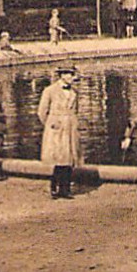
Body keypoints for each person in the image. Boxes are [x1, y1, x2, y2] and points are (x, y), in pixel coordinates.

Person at [37, 66, 82, 199]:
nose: (70, 77)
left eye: (72, 74)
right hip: (56, 129)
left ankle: (65, 189)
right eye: (68, 74)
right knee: (58, 158)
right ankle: (54, 185)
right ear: (61, 75)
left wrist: (74, 123)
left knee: (69, 158)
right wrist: (51, 125)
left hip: (70, 127)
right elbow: (41, 111)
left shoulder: (75, 92)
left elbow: (76, 110)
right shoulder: (50, 91)